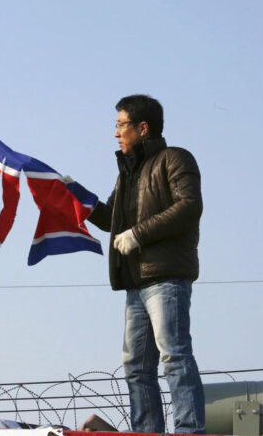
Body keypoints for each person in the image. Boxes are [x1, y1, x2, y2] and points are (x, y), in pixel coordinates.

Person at [85, 95, 206, 433]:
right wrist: (81, 200)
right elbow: (112, 218)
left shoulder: (175, 159)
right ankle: (147, 431)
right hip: (135, 283)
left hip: (166, 279)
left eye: (120, 125)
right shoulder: (127, 173)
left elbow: (189, 206)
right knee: (136, 367)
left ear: (142, 127)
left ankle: (189, 429)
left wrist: (138, 234)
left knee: (174, 356)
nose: (116, 134)